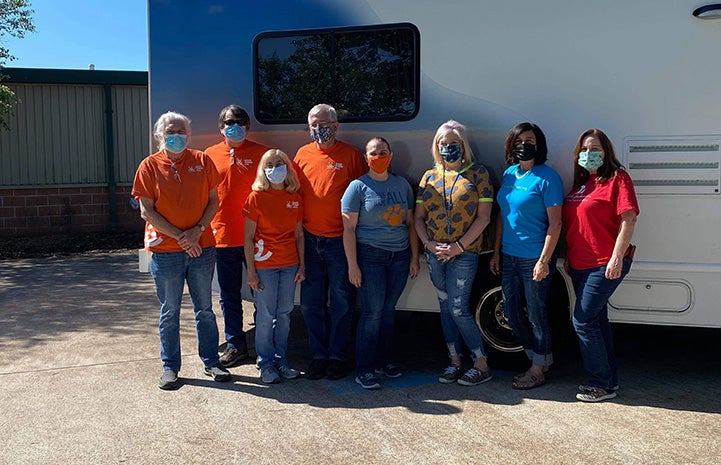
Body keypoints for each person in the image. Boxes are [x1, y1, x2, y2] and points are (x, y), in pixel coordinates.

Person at [132, 111, 231, 390]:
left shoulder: (202, 160)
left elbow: (215, 201)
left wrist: (197, 231)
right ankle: (170, 367)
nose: (176, 136)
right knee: (170, 311)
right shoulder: (149, 166)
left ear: (189, 134)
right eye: (170, 132)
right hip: (166, 252)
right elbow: (146, 211)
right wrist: (181, 237)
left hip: (202, 248)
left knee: (205, 311)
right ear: (159, 135)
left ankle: (211, 361)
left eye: (181, 131)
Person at [414, 120, 494, 386]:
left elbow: (484, 218)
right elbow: (418, 218)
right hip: (435, 253)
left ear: (464, 145)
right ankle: (455, 361)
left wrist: (458, 247)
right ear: (436, 146)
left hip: (465, 252)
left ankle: (481, 363)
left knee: (459, 308)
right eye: (443, 144)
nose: (448, 148)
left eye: (454, 144)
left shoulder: (479, 174)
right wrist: (427, 243)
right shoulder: (429, 177)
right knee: (445, 307)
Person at [563, 128, 639, 402]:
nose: (589, 154)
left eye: (595, 149)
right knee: (596, 320)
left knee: (582, 321)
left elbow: (628, 219)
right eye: (584, 150)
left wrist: (617, 257)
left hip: (604, 263)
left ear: (605, 152)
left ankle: (600, 383)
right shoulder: (582, 183)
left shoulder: (618, 178)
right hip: (579, 264)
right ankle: (609, 380)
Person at [293, 103, 367, 380]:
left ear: (336, 126)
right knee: (311, 304)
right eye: (313, 124)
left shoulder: (351, 155)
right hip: (310, 241)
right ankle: (318, 356)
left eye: (323, 124)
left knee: (342, 302)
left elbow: (363, 195)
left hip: (340, 241)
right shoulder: (301, 154)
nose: (318, 129)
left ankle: (338, 356)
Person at [341, 137, 420, 390]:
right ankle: (364, 369)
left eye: (383, 152)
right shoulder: (357, 187)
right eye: (373, 153)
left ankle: (383, 363)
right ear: (366, 158)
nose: (379, 156)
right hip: (370, 256)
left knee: (388, 311)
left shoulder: (402, 185)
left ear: (391, 155)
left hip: (399, 256)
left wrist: (414, 257)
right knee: (372, 313)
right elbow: (349, 230)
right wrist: (353, 265)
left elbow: (410, 224)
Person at [490, 122, 564, 390]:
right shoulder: (509, 174)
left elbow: (555, 224)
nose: (525, 144)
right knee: (511, 311)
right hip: (509, 256)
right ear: (512, 145)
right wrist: (496, 250)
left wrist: (544, 261)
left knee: (536, 313)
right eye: (519, 140)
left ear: (539, 144)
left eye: (530, 140)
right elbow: (502, 215)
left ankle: (537, 369)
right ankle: (539, 358)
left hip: (534, 257)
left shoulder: (548, 177)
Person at [205, 105, 270, 368]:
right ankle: (235, 345)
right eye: (230, 122)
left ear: (248, 126)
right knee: (229, 295)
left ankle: (266, 346)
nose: (236, 125)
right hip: (222, 236)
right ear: (221, 127)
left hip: (258, 237)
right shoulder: (208, 155)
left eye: (241, 122)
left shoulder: (262, 154)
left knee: (261, 294)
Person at [243, 149, 305, 384]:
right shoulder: (255, 198)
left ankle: (281, 360)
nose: (275, 168)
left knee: (285, 314)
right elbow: (248, 238)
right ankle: (265, 362)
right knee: (266, 316)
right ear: (263, 169)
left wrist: (302, 265)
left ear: (288, 167)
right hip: (265, 266)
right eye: (270, 164)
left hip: (289, 265)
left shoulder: (294, 197)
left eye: (280, 163)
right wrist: (251, 272)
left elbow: (299, 235)